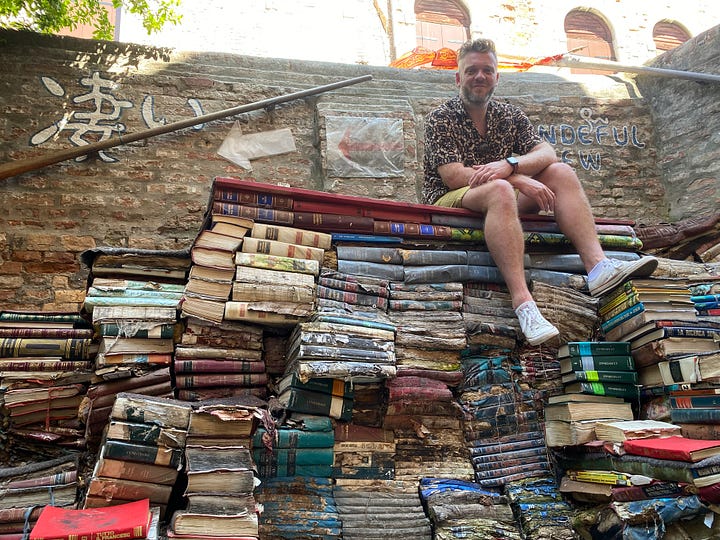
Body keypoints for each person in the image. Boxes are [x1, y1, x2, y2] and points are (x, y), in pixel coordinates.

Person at [423, 38, 657, 346]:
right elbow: (453, 176)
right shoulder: (442, 117)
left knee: (560, 172)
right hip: (451, 200)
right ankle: (524, 304)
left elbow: (547, 153)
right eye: (471, 70)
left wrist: (510, 164)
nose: (480, 76)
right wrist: (517, 179)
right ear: (458, 78)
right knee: (500, 189)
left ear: (497, 77)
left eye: (487, 70)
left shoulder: (509, 115)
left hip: (501, 198)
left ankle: (598, 266)